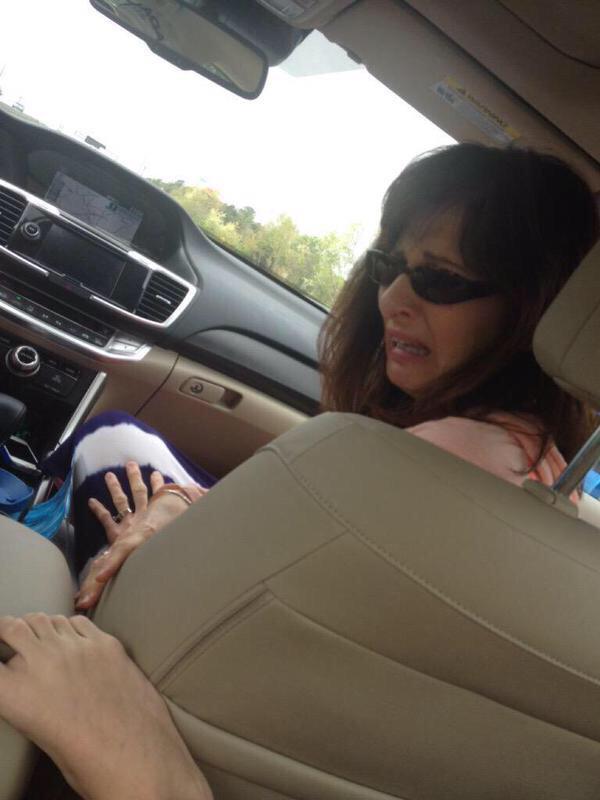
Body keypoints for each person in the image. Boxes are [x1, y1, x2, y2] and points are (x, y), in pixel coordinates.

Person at [0, 142, 598, 799]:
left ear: (531, 309)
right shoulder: (542, 474)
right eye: (388, 266)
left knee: (107, 443)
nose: (392, 298)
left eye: (442, 280)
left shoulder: (424, 459)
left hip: (154, 686)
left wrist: (161, 518)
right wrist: (177, 504)